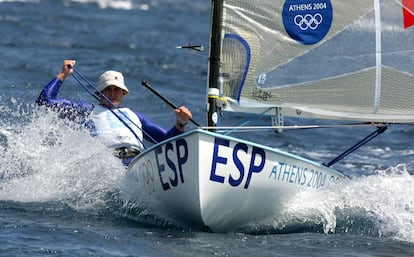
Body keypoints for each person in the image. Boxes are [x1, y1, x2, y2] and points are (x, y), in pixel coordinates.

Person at [36, 60, 192, 165]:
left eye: (116, 89)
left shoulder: (135, 117)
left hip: (137, 164)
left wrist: (180, 123)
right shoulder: (86, 111)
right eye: (107, 89)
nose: (112, 93)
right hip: (107, 166)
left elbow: (167, 141)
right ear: (99, 93)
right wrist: (63, 74)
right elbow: (45, 100)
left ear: (123, 93)